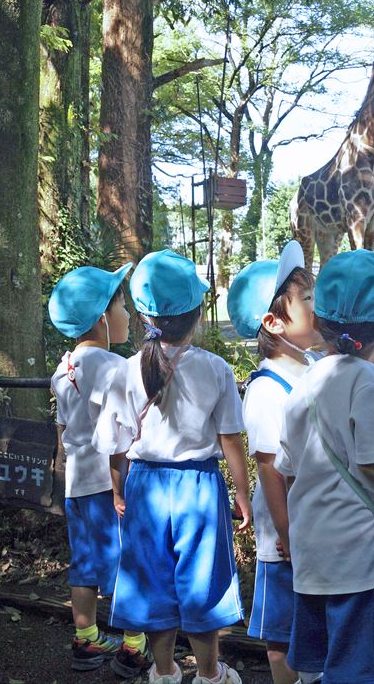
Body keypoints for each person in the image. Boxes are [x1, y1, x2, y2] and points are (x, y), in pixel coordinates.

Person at [275, 250, 374, 684]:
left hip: (310, 545)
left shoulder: (303, 381)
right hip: (353, 552)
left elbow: (287, 468)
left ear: (320, 324)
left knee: (319, 657)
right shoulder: (372, 382)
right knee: (355, 660)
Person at [94, 250, 250, 684]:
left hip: (144, 485)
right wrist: (241, 493)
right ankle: (209, 673)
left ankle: (163, 672)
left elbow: (114, 444)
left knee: (154, 582)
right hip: (198, 486)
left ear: (144, 317)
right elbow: (231, 438)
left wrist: (118, 488)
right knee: (201, 582)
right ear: (198, 314)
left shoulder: (125, 370)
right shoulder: (215, 369)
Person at [49, 262, 152, 677]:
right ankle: (134, 644)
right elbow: (127, 427)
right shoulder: (112, 366)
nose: (127, 315)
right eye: (123, 307)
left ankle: (87, 638)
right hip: (111, 481)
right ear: (101, 318)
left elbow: (61, 432)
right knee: (128, 559)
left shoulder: (65, 367)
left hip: (77, 480)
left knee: (86, 562)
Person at [228, 241, 323, 684]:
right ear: (273, 322)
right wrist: (287, 534)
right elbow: (269, 467)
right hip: (286, 541)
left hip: (313, 531)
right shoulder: (267, 388)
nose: (316, 304)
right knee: (283, 633)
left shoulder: (313, 366)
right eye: (305, 299)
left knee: (313, 623)